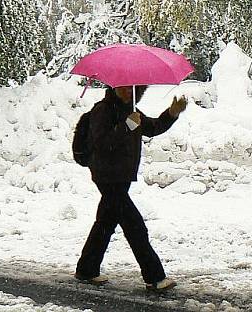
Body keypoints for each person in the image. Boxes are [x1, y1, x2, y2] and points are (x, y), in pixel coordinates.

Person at [75, 85, 187, 291]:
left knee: (105, 223)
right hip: (107, 176)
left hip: (121, 176)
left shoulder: (131, 111)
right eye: (123, 88)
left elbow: (153, 127)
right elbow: (102, 143)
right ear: (113, 88)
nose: (127, 92)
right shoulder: (103, 110)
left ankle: (86, 269)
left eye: (132, 89)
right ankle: (155, 277)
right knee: (135, 226)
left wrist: (172, 113)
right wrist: (127, 126)